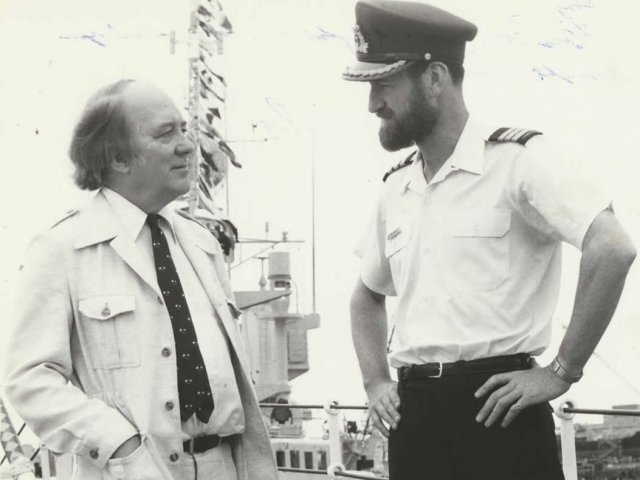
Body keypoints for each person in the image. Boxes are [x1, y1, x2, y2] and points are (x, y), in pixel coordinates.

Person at [344, 1, 636, 479]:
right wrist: (375, 381)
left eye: (383, 85)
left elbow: (613, 247)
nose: (373, 104)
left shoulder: (518, 160)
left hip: (500, 412)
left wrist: (561, 371)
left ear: (434, 78)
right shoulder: (396, 187)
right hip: (415, 418)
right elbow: (365, 296)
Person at [4, 79, 278, 480]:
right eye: (166, 134)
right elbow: (29, 381)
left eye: (183, 129)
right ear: (118, 158)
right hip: (129, 471)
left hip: (224, 465)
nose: (187, 144)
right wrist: (119, 443)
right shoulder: (61, 250)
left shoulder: (201, 244)